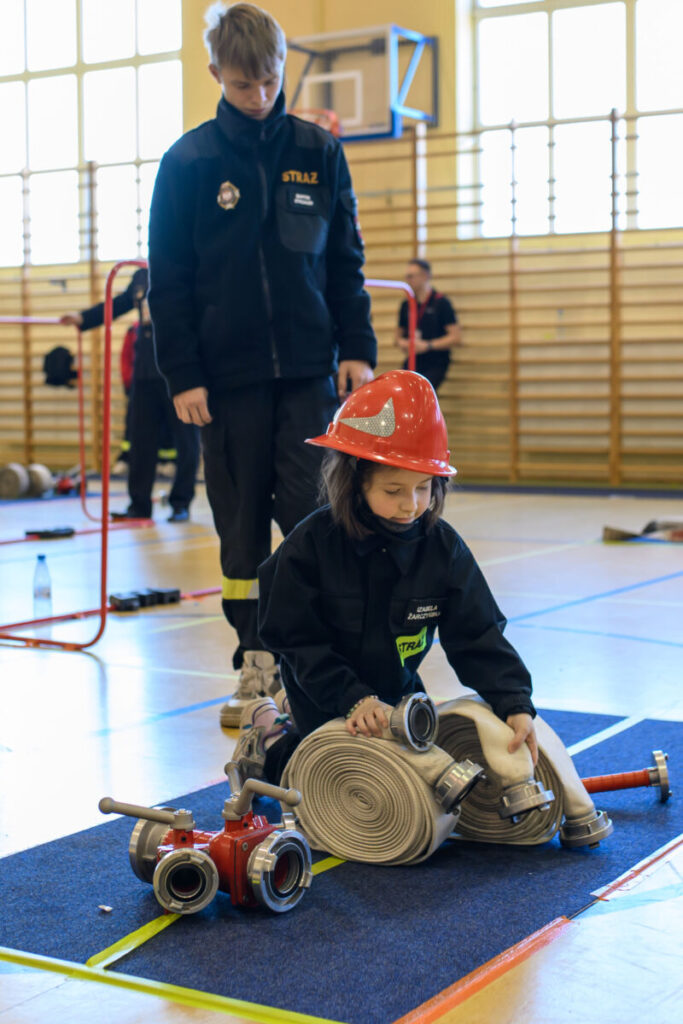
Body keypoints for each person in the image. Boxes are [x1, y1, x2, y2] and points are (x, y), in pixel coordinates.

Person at [147, 3, 376, 724]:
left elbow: (345, 261)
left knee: (313, 516)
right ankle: (254, 662)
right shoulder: (188, 162)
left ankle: (320, 658)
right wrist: (181, 372)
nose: (259, 96)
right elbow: (170, 277)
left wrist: (358, 348)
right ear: (216, 73)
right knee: (240, 525)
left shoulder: (318, 151)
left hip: (310, 371)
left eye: (270, 82)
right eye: (244, 85)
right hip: (225, 381)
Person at [231, 370, 538, 786]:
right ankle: (268, 736)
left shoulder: (443, 548)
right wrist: (352, 697)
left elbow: (478, 633)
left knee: (427, 781)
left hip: (398, 696)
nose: (410, 506)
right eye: (393, 491)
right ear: (354, 483)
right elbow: (296, 639)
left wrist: (514, 701)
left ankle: (279, 712)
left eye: (424, 488)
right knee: (331, 783)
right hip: (325, 695)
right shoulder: (309, 546)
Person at [60, 268, 200, 522]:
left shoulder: (184, 264)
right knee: (140, 440)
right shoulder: (141, 275)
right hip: (144, 372)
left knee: (186, 441)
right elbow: (119, 304)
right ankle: (139, 504)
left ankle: (181, 502)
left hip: (178, 370)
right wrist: (83, 318)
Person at [395, 259, 461, 392]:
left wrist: (428, 345)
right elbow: (397, 337)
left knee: (421, 392)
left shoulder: (441, 302)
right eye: (407, 276)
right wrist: (403, 343)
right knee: (399, 390)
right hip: (413, 358)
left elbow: (455, 337)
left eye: (411, 276)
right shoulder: (405, 305)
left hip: (436, 361)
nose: (408, 280)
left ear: (425, 276)